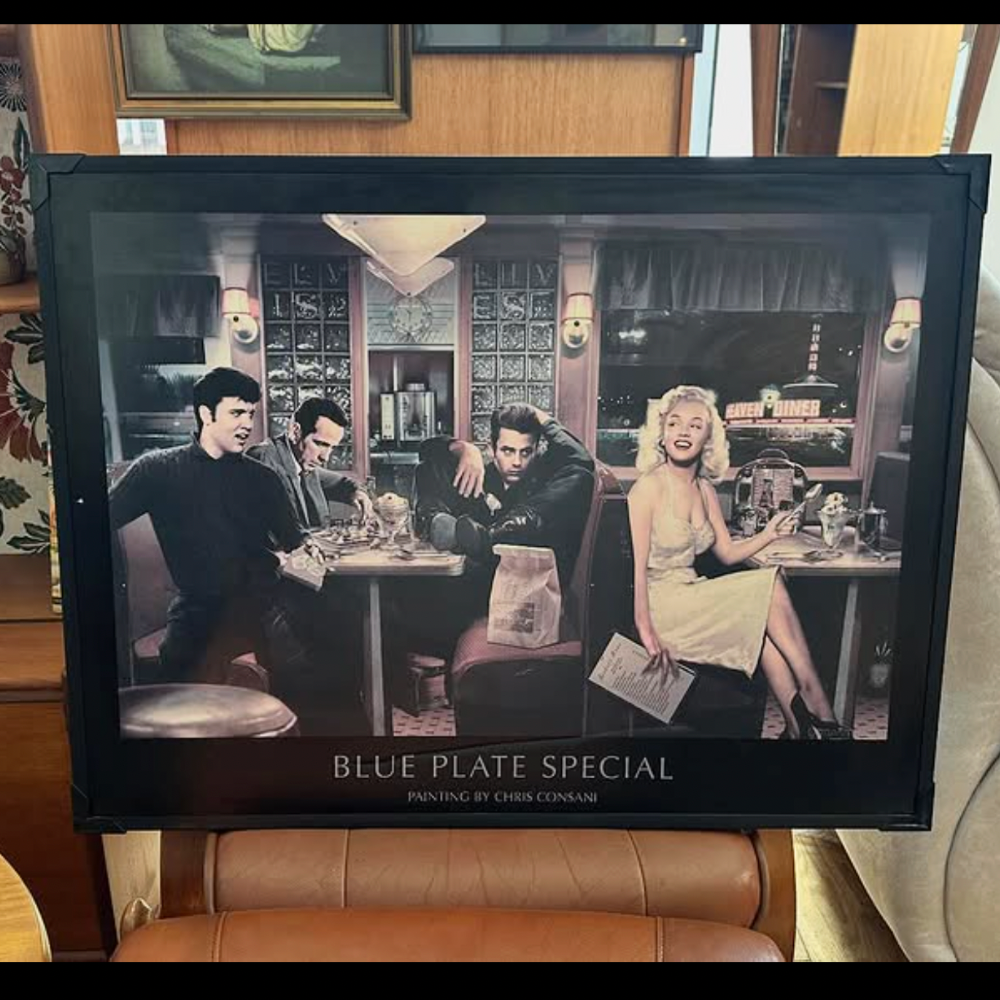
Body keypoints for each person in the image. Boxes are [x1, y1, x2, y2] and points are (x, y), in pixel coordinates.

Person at [109, 367, 367, 736]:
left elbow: (296, 545)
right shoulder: (157, 470)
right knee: (177, 708)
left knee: (330, 654)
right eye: (236, 413)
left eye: (250, 413)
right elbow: (98, 522)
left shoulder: (263, 478)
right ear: (205, 413)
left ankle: (340, 758)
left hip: (265, 604)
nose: (247, 423)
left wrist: (310, 562)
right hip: (199, 609)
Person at [628, 385, 851, 740]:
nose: (683, 432)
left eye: (695, 425)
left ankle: (800, 728)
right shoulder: (648, 488)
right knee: (769, 586)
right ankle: (817, 703)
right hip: (663, 607)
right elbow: (637, 570)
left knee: (761, 620)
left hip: (691, 593)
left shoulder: (705, 490)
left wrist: (770, 533)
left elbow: (728, 553)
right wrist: (647, 633)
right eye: (674, 423)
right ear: (661, 432)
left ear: (708, 438)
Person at [247, 397, 373, 531]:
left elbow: (343, 483)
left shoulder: (302, 464)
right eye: (320, 444)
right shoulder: (264, 459)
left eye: (331, 447)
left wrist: (358, 493)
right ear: (296, 432)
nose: (325, 457)